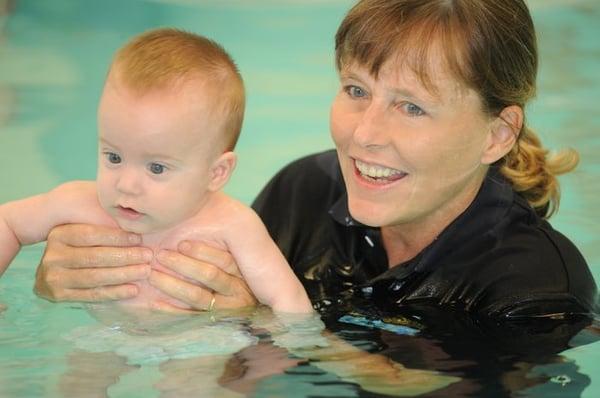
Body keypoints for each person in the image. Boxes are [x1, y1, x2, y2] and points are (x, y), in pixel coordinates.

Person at [33, 0, 597, 332]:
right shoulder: (301, 193)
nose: (365, 134)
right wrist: (85, 274)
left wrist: (257, 318)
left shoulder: (534, 294)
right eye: (356, 89)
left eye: (412, 106)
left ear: (496, 134)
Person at [0, 28, 312, 314]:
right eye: (113, 156)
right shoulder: (80, 204)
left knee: (192, 375)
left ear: (216, 173)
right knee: (84, 372)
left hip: (195, 347)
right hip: (107, 338)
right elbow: (8, 221)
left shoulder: (234, 226)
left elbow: (290, 302)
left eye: (157, 167)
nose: (127, 184)